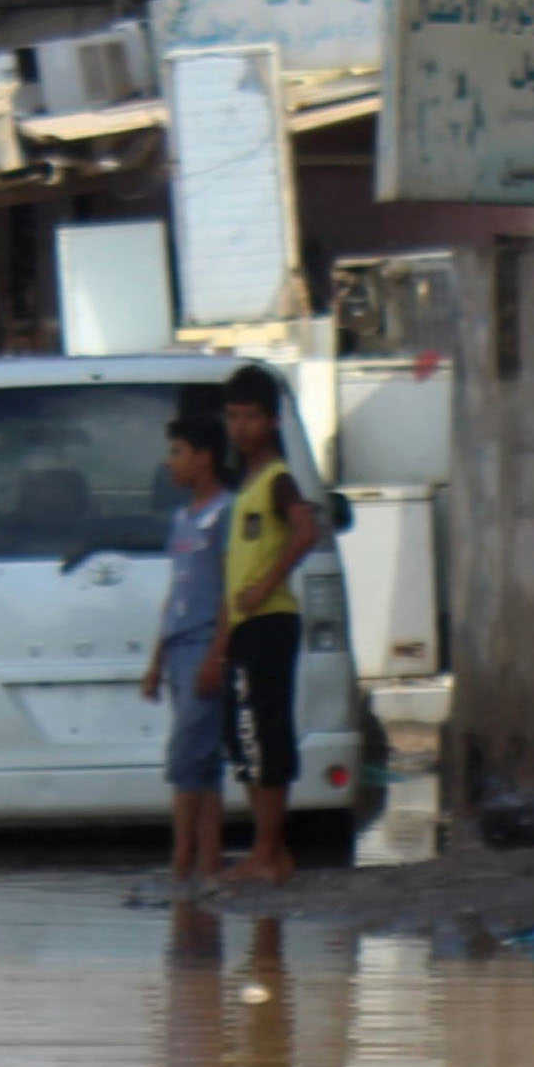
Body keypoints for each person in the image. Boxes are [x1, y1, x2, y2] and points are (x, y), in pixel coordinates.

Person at [212, 364, 324, 886]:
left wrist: (265, 585)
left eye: (250, 417)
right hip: (244, 629)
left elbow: (306, 529)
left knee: (264, 736)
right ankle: (268, 852)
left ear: (272, 421)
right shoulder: (246, 487)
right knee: (245, 739)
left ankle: (268, 852)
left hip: (271, 622)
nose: (240, 428)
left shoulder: (277, 479)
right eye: (233, 417)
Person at [137, 404, 237, 888]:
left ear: (205, 457)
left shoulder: (226, 514)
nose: (170, 462)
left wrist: (218, 653)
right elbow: (175, 592)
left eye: (178, 452)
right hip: (178, 649)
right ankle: (209, 863)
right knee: (202, 760)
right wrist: (156, 661)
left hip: (204, 647)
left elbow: (229, 592)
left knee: (185, 757)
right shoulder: (182, 519)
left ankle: (183, 859)